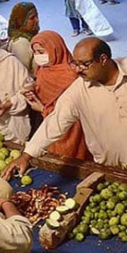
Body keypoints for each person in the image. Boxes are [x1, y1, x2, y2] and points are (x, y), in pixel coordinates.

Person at [2, 38, 127, 177]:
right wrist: (27, 155)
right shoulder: (78, 91)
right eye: (75, 63)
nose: (78, 70)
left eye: (84, 64)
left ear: (103, 59)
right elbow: (54, 124)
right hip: (112, 171)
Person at [23, 31, 91, 160]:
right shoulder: (42, 70)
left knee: (73, 159)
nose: (38, 56)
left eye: (41, 52)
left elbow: (74, 109)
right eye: (35, 52)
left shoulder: (71, 74)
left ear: (55, 49)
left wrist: (43, 109)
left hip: (72, 129)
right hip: (49, 127)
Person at [7, 2, 40, 72]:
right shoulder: (20, 43)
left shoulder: (30, 36)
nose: (37, 20)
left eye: (37, 16)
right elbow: (23, 72)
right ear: (20, 21)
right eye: (32, 18)